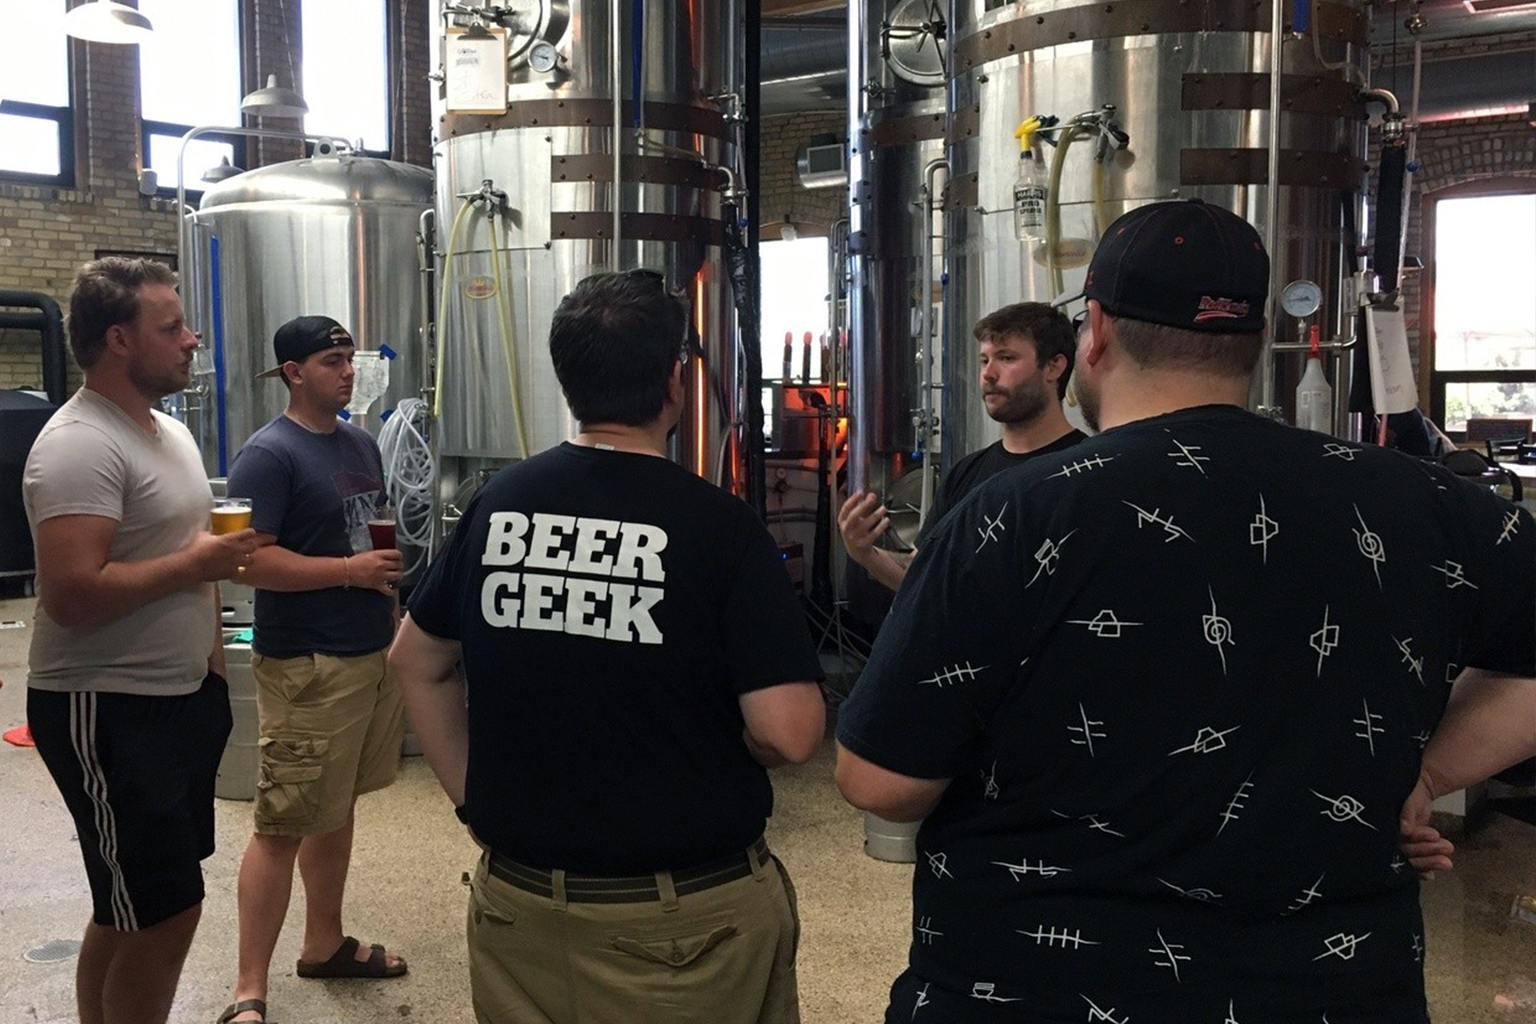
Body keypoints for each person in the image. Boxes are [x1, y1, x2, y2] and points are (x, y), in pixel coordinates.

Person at [833, 199, 1535, 1023]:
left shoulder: (1015, 515)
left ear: (1092, 332)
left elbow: (880, 782)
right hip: (1331, 994)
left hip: (1035, 989)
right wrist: (1425, 772)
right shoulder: (1424, 500)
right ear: (1259, 340)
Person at [388, 269, 826, 1024]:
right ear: (673, 385)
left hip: (518, 908)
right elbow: (789, 733)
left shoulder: (499, 504)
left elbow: (415, 661)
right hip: (682, 934)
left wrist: (475, 804)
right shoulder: (719, 528)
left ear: (568, 381)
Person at [23, 257, 257, 1024]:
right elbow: (71, 592)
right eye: (172, 328)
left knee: (127, 904)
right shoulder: (79, 445)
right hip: (108, 710)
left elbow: (199, 567)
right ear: (118, 340)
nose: (192, 340)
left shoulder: (169, 433)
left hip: (179, 700)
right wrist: (195, 562)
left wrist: (215, 683)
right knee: (167, 911)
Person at [218, 315, 407, 1024]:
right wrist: (350, 572)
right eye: (332, 361)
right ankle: (247, 992)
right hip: (307, 665)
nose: (347, 371)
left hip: (365, 655)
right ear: (294, 372)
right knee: (282, 823)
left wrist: (383, 608)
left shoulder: (360, 441)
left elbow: (369, 535)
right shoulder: (265, 456)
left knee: (336, 807)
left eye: (350, 358)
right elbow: (242, 559)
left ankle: (323, 943)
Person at [838, 302, 1085, 591]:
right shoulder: (965, 475)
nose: (989, 374)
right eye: (984, 360)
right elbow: (922, 575)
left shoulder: (1088, 470)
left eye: (1006, 358)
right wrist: (866, 554)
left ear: (1054, 367)